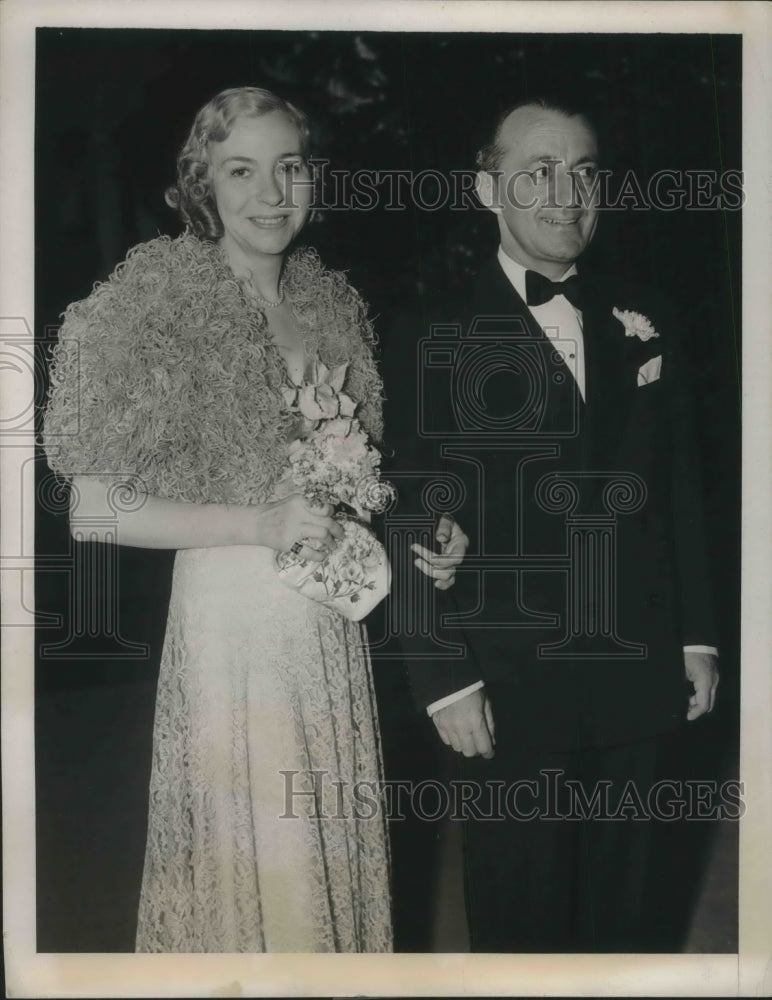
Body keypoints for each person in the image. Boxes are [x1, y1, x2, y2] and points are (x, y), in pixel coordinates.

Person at [42, 86, 461, 954]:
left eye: (290, 167)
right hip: (230, 627)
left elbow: (340, 497)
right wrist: (258, 524)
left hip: (326, 633)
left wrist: (419, 541)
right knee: (264, 879)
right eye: (243, 170)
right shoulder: (155, 301)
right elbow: (92, 510)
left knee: (326, 874)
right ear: (202, 183)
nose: (272, 193)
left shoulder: (333, 308)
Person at [389, 98, 720, 952]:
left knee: (633, 923)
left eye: (583, 171)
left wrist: (698, 640)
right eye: (539, 170)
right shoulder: (434, 338)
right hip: (508, 691)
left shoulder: (648, 320)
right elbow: (408, 511)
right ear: (485, 186)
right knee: (521, 927)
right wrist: (443, 678)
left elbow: (683, 488)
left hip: (640, 677)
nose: (566, 192)